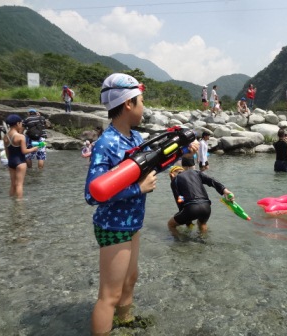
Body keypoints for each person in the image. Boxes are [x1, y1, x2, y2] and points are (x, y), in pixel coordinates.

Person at [84, 73, 198, 335]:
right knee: (109, 295)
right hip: (113, 226)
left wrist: (181, 152)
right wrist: (138, 188)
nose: (143, 107)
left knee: (130, 281)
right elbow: (92, 195)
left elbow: (154, 164)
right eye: (141, 101)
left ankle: (125, 324)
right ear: (127, 104)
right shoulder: (107, 143)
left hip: (132, 223)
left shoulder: (135, 139)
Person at [167, 165, 233, 237]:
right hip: (206, 207)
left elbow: (180, 201)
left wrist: (188, 222)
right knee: (202, 223)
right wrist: (225, 190)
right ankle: (203, 241)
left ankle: (181, 243)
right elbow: (211, 180)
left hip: (191, 208)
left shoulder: (175, 180)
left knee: (171, 224)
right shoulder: (195, 172)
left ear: (172, 174)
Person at [3, 114, 39, 199]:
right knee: (19, 184)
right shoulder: (20, 136)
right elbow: (24, 151)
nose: (21, 125)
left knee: (12, 184)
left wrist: (10, 161)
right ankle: (19, 205)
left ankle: (12, 201)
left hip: (11, 162)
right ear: (17, 123)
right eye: (21, 123)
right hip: (20, 162)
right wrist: (34, 149)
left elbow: (7, 152)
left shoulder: (5, 136)